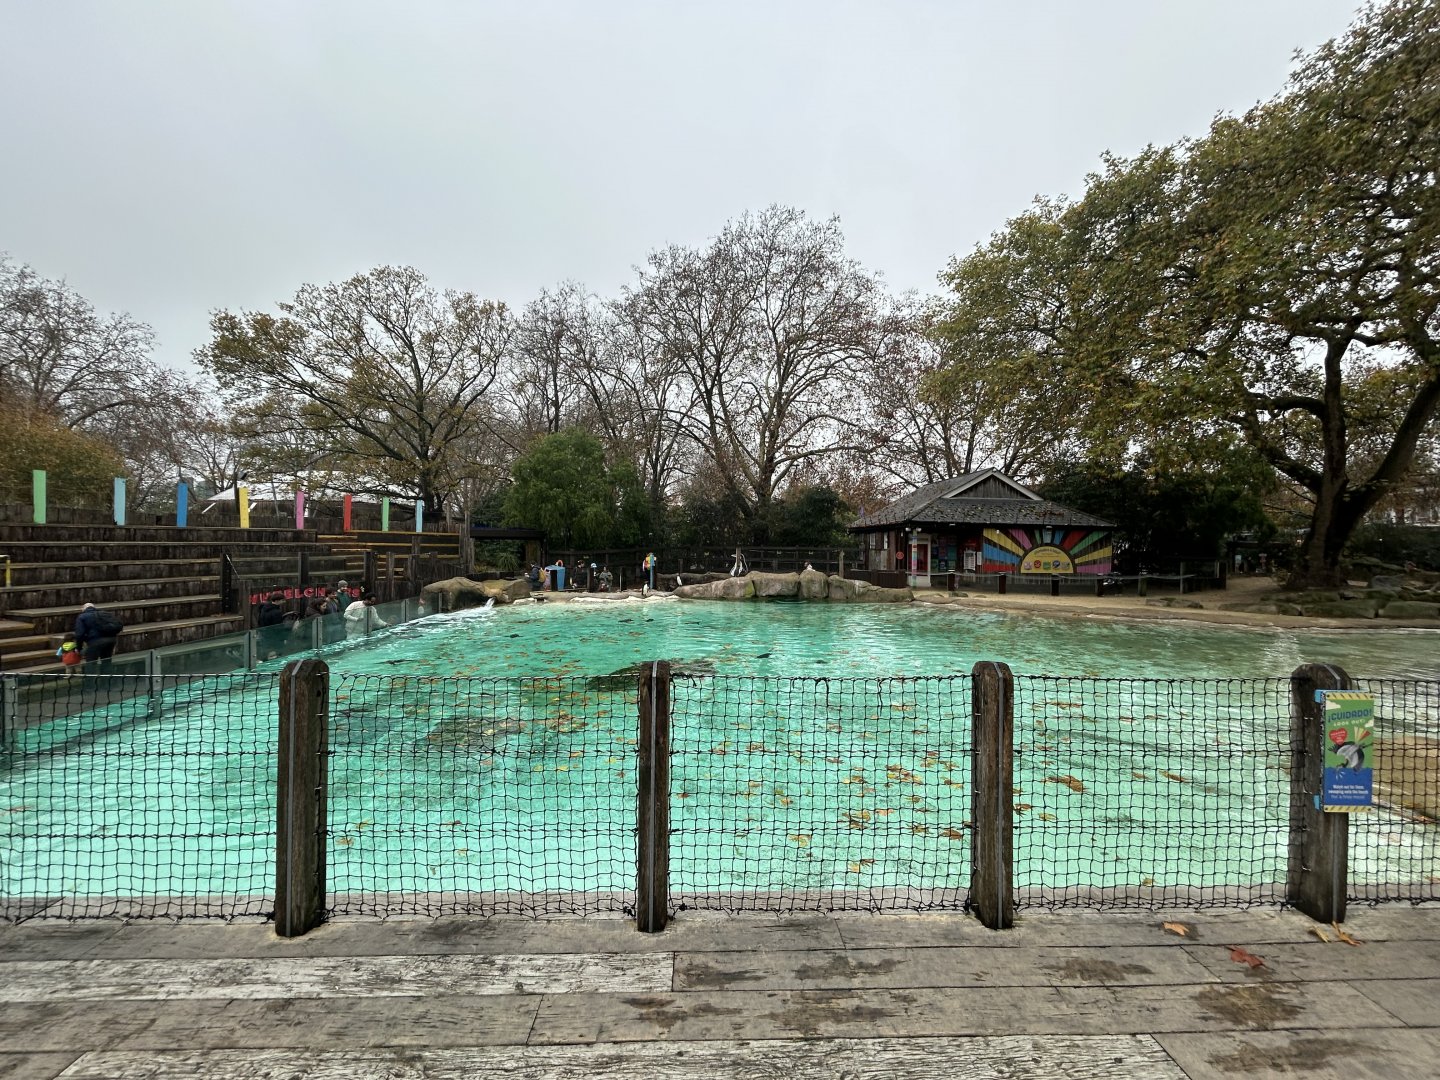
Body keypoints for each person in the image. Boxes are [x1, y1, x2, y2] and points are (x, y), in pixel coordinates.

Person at [73, 602, 123, 672]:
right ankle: (107, 677)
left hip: (95, 641)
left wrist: (78, 648)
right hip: (111, 639)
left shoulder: (82, 617)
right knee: (106, 661)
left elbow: (79, 634)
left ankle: (91, 678)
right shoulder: (104, 614)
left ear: (83, 609)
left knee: (91, 662)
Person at [256, 591, 288, 659]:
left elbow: (259, 621)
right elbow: (278, 628)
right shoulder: (276, 612)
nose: (284, 602)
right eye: (282, 600)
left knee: (266, 654)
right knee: (276, 655)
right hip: (273, 637)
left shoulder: (263, 608)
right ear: (277, 600)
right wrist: (283, 639)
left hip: (263, 633)